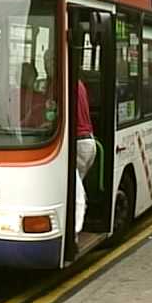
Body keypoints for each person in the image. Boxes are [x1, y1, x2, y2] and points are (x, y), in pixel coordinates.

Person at [43, 49, 96, 234]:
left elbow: (52, 114)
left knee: (75, 192)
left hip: (78, 144)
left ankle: (73, 232)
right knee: (74, 188)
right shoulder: (76, 81)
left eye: (49, 61)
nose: (46, 65)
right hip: (88, 142)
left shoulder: (59, 84)